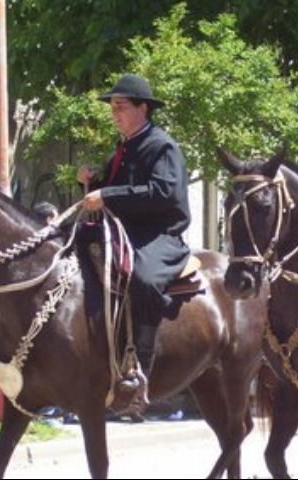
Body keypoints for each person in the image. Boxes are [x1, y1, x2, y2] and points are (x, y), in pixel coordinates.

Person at [77, 74, 192, 391]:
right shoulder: (124, 148)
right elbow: (114, 190)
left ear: (143, 108)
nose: (114, 113)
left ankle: (139, 366)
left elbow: (163, 192)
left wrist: (107, 196)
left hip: (159, 234)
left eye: (121, 106)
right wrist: (90, 183)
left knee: (142, 277)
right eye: (112, 107)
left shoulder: (162, 145)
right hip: (124, 232)